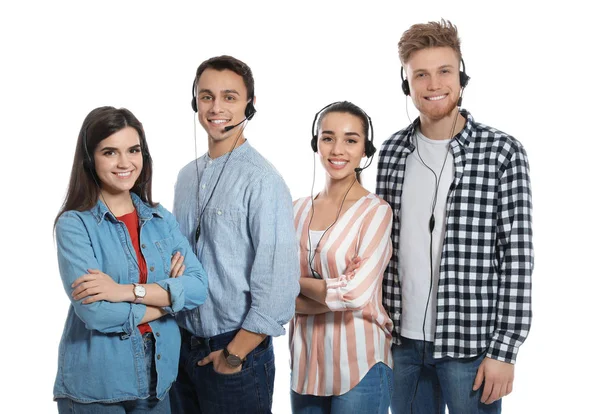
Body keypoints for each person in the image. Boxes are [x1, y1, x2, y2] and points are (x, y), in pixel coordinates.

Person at [376, 19, 534, 413]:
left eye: (444, 71)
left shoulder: (502, 152)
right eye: (421, 75)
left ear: (461, 76)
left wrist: (505, 350)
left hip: (470, 346)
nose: (433, 85)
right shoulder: (393, 151)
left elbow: (517, 258)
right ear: (406, 84)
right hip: (401, 345)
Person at [53, 106, 208, 413]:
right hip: (96, 385)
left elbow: (198, 287)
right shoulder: (74, 225)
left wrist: (124, 291)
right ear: (90, 159)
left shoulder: (161, 219)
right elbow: (96, 312)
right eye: (110, 152)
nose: (125, 163)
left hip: (157, 381)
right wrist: (168, 300)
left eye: (133, 150)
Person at [170, 55, 300, 414]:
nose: (216, 107)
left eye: (229, 96)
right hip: (182, 346)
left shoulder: (263, 181)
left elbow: (278, 285)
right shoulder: (185, 177)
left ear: (250, 104)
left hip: (235, 350)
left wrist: (233, 354)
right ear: (194, 101)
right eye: (206, 96)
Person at [290, 101, 394, 414]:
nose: (338, 149)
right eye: (328, 138)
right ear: (316, 143)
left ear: (365, 150)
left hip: (360, 366)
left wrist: (295, 285)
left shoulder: (376, 212)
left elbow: (355, 293)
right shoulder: (294, 210)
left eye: (350, 140)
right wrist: (324, 292)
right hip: (305, 368)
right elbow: (273, 291)